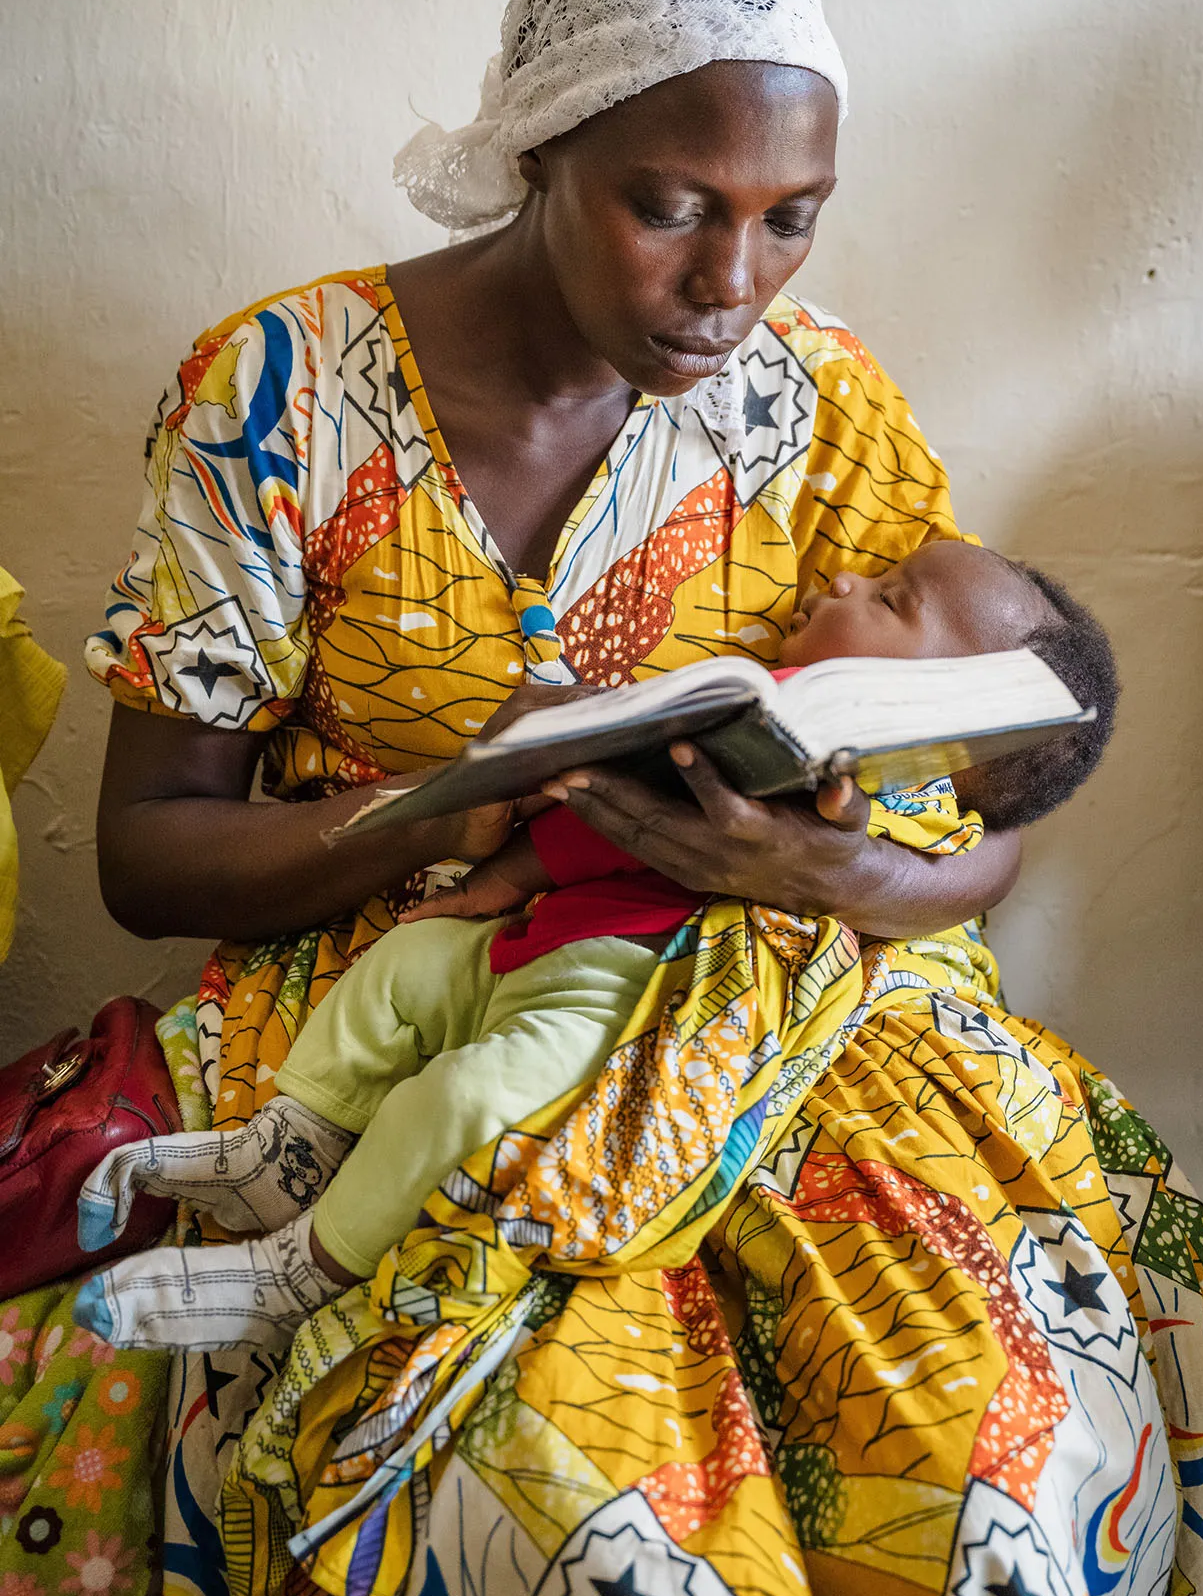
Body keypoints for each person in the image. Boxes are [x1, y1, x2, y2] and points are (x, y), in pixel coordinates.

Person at [0, 0, 1203, 1596]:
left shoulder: (821, 405)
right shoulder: (278, 392)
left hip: (789, 990)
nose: (733, 280)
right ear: (539, 149)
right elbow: (149, 856)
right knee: (570, 1495)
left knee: (977, 1425)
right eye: (671, 204)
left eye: (793, 217)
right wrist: (448, 812)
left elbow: (993, 807)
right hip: (415, 982)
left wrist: (821, 865)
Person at [72, 539, 1120, 1352]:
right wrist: (489, 867)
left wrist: (836, 871)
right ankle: (289, 1144)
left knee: (468, 1100)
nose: (842, 572)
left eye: (887, 596)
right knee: (397, 972)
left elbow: (990, 838)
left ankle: (302, 1268)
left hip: (625, 988)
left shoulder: (896, 786)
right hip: (537, 922)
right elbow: (593, 820)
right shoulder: (754, 706)